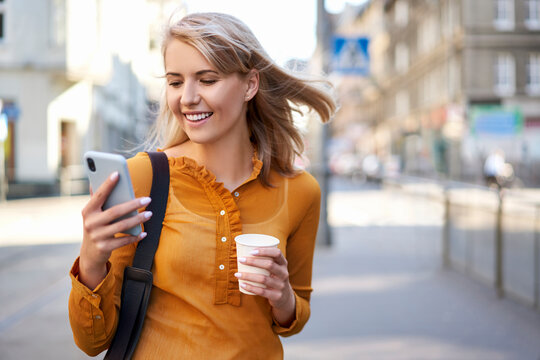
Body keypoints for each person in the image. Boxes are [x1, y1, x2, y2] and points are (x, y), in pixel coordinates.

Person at [68, 11, 337, 359]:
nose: (187, 98)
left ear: (250, 85)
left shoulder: (301, 191)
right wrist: (91, 259)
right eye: (175, 82)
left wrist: (282, 295)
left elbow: (292, 319)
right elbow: (92, 342)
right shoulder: (143, 177)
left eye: (207, 79)